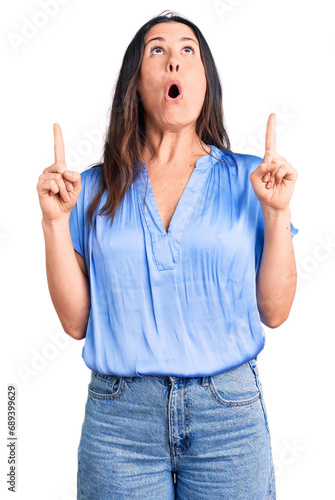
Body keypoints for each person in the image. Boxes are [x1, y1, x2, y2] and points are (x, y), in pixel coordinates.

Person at [36, 10, 299, 500]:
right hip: (120, 422)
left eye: (187, 51)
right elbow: (76, 322)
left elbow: (275, 311)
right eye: (157, 50)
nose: (173, 62)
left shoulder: (252, 181)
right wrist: (54, 222)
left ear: (204, 82)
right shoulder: (89, 190)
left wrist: (278, 214)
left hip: (228, 416)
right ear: (135, 82)